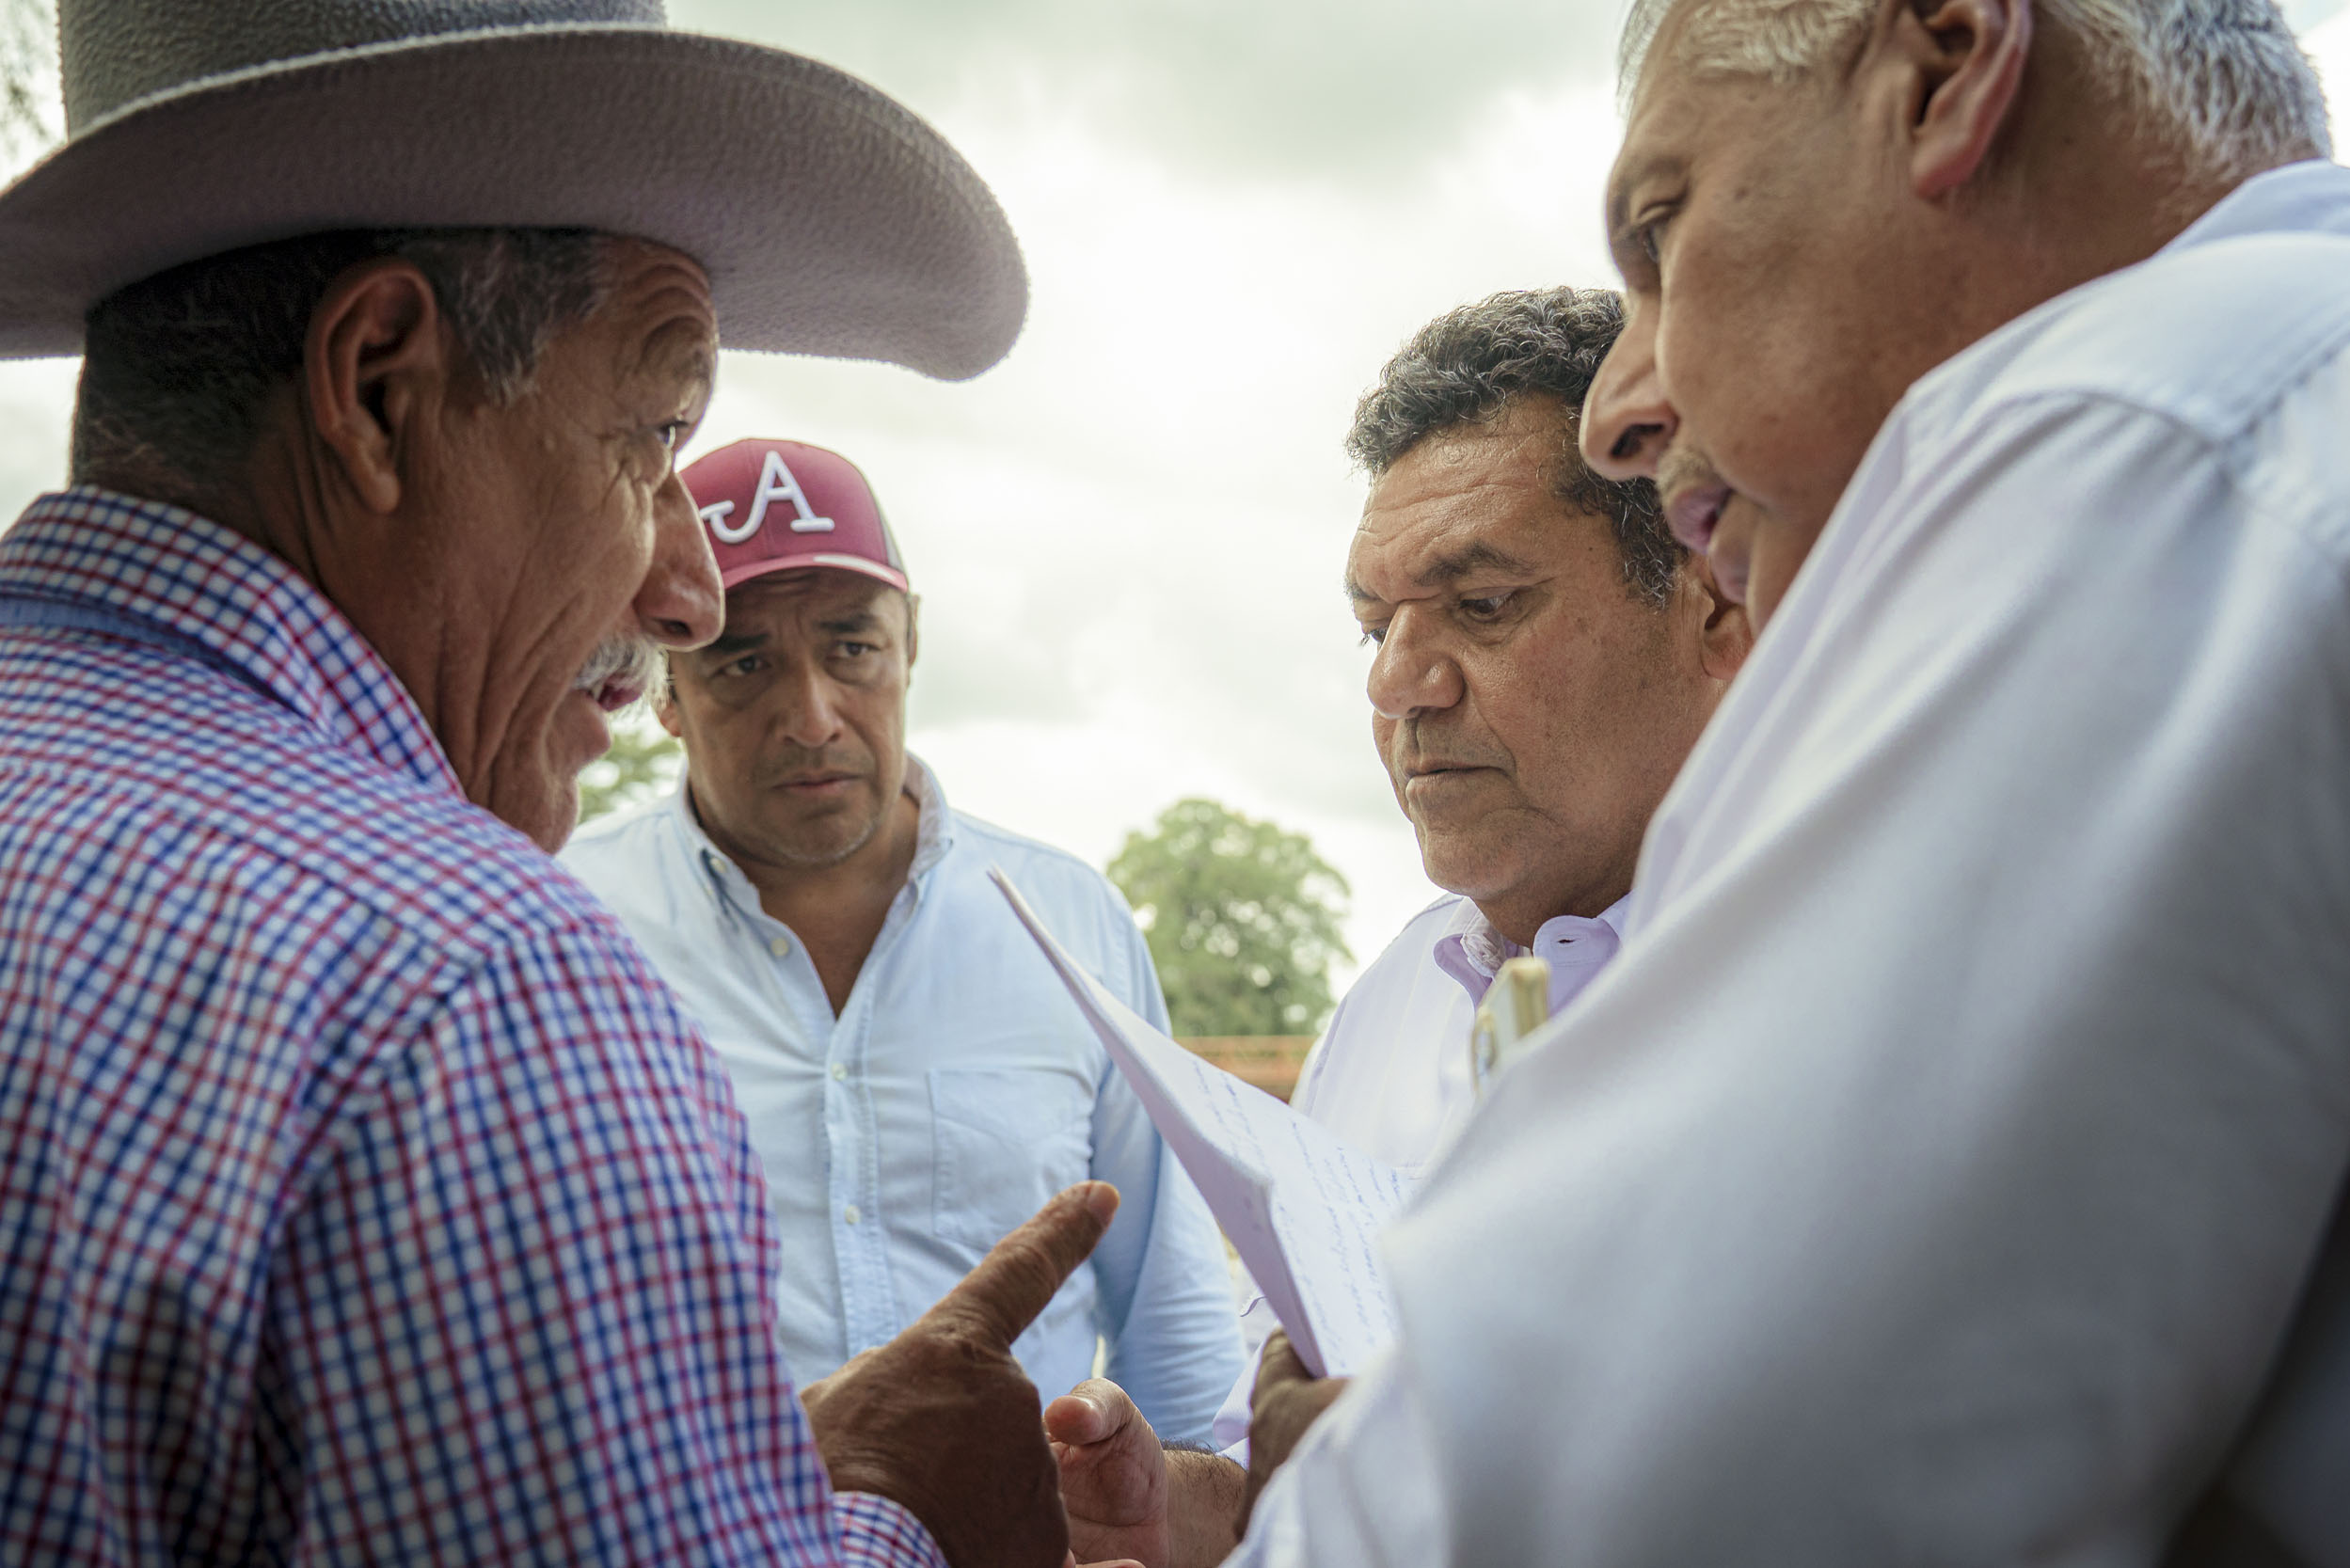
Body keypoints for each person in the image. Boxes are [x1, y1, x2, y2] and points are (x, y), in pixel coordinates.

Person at [0, 3, 1123, 1563]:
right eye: (652, 436)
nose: (689, 592)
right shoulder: (473, 984)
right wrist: (894, 1525)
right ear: (378, 386)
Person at [1232, 0, 2350, 1561]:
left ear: (1949, 70)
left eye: (1663, 236)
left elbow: (1633, 1490)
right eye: (1375, 627)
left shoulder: (2146, 428)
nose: (1628, 409)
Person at [1045, 288, 1749, 1567]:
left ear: (1712, 601)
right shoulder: (1396, 1002)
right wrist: (1176, 1503)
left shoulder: (1846, 999)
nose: (1397, 686)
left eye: (1482, 606)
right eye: (1376, 625)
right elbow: (1290, 1462)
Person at [562, 436, 1244, 1442]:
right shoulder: (565, 923)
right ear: (664, 689)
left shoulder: (1069, 923)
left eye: (852, 647)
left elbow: (1171, 1311)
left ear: (911, 641)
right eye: (744, 662)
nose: (811, 714)